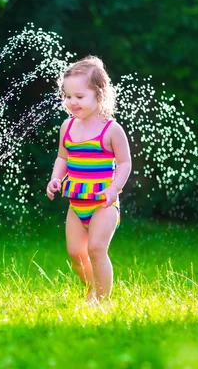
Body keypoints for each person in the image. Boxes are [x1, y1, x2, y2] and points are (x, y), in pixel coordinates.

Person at [46, 56, 131, 302]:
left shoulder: (111, 129)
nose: (72, 102)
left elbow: (125, 163)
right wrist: (55, 179)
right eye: (67, 96)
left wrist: (115, 189)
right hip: (77, 202)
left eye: (79, 97)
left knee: (96, 249)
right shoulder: (68, 127)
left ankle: (102, 302)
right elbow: (62, 158)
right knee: (75, 252)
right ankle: (91, 289)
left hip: (103, 203)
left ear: (99, 94)